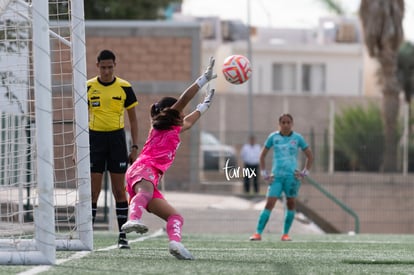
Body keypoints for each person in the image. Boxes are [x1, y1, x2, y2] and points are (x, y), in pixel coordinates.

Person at [121, 57, 217, 260]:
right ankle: (133, 218)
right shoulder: (159, 125)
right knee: (145, 193)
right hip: (143, 169)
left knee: (175, 217)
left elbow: (191, 120)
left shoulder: (175, 128)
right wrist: (203, 80)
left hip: (150, 178)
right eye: (180, 111)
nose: (184, 113)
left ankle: (175, 244)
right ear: (171, 112)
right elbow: (184, 100)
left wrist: (205, 105)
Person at [87, 49, 139, 249]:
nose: (106, 71)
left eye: (110, 67)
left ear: (114, 65)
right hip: (95, 140)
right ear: (97, 65)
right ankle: (88, 237)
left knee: (119, 190)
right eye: (103, 67)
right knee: (93, 192)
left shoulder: (125, 87)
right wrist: (77, 148)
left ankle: (123, 236)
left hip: (117, 140)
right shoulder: (88, 87)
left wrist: (134, 146)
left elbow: (133, 120)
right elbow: (80, 119)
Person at [249, 113, 313, 242]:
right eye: (283, 122)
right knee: (269, 203)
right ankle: (258, 233)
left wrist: (304, 172)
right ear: (279, 124)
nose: (285, 125)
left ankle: (285, 234)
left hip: (291, 178)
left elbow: (310, 156)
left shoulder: (298, 138)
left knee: (290, 204)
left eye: (288, 122)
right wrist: (264, 173)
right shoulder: (273, 137)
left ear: (292, 124)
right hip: (276, 177)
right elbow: (262, 156)